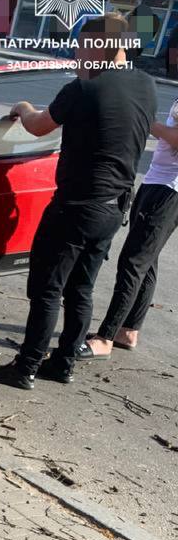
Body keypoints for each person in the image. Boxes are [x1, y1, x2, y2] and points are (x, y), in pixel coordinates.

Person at [0, 14, 157, 389]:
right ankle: (63, 364)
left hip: (76, 207)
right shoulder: (146, 84)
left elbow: (38, 126)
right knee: (81, 288)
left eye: (81, 46)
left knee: (47, 289)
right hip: (114, 207)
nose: (77, 54)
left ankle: (25, 367)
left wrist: (22, 107)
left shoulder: (83, 88)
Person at [84, 96, 178, 355]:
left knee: (133, 262)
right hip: (157, 182)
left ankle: (106, 337)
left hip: (169, 191)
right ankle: (128, 330)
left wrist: (148, 121)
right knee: (146, 261)